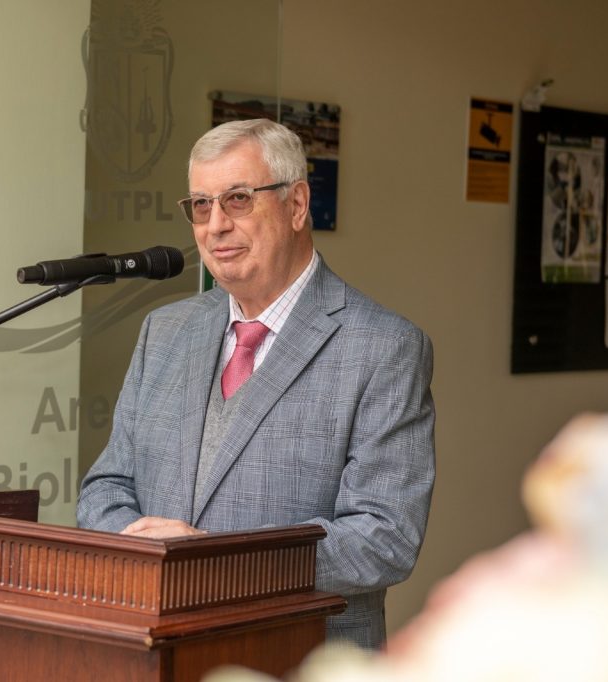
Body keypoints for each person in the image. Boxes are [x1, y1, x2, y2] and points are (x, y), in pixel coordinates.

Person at [77, 118, 436, 649]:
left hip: (296, 655)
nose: (215, 225)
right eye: (201, 205)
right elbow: (105, 488)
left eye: (238, 199)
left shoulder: (383, 346)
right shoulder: (166, 330)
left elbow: (383, 538)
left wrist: (215, 563)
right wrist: (149, 560)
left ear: (296, 205)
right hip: (154, 654)